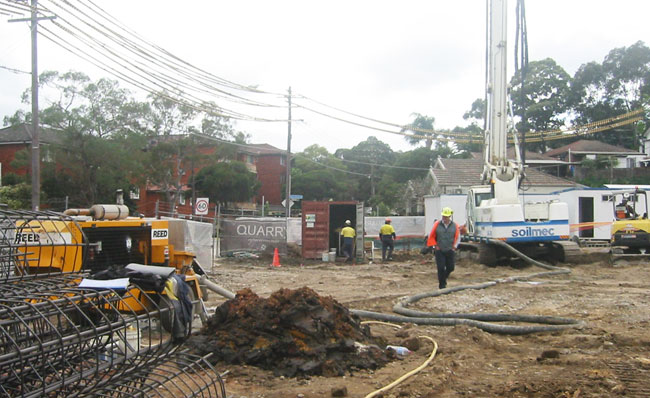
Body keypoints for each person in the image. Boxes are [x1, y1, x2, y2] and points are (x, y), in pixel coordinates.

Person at [426, 207, 460, 289]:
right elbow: (432, 235)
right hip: (439, 250)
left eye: (446, 216)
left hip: (450, 249)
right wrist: (435, 246)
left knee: (451, 267)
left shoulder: (455, 226)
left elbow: (458, 237)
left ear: (449, 216)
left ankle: (444, 277)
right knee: (440, 267)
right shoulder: (437, 225)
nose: (444, 218)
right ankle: (442, 285)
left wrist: (454, 247)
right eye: (443, 216)